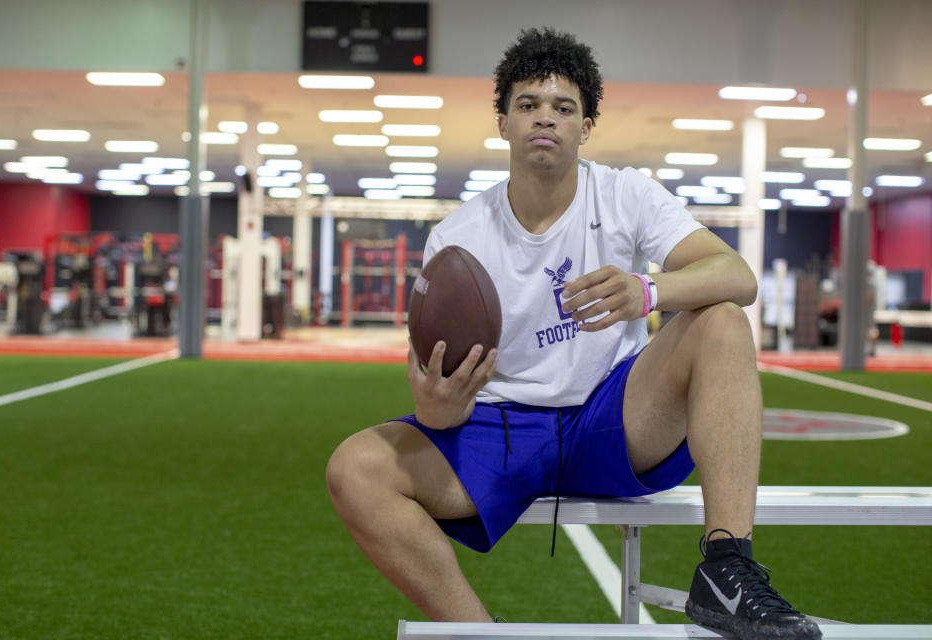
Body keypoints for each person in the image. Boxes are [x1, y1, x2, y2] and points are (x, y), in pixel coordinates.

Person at [327, 27, 822, 640]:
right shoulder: (458, 235)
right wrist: (437, 406)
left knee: (721, 317)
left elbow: (737, 275)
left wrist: (648, 290)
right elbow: (427, 389)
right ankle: (479, 632)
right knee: (355, 468)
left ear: (586, 126)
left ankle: (726, 566)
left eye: (564, 108)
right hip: (504, 425)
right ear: (502, 121)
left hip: (609, 418)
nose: (546, 119)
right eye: (528, 104)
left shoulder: (624, 193)